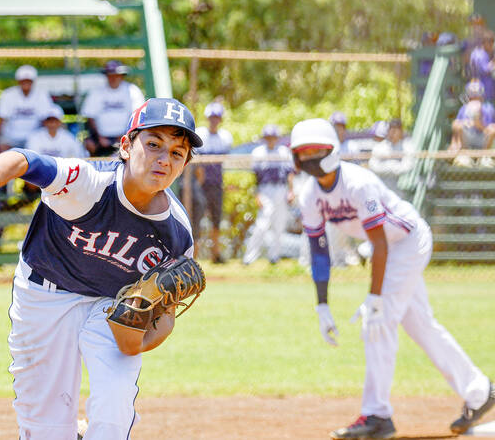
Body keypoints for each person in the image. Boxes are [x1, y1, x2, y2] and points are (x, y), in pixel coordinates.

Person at [0, 98, 203, 440]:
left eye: (176, 152)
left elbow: (165, 315)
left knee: (114, 408)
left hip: (109, 306)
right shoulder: (89, 184)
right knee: (46, 429)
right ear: (126, 145)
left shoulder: (177, 232)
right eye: (153, 144)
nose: (163, 159)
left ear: (184, 162)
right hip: (45, 294)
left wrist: (139, 339)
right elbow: (29, 160)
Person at [290, 118, 495, 439]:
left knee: (378, 322)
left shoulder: (358, 183)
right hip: (388, 248)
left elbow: (381, 243)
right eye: (303, 152)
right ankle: (480, 391)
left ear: (333, 150)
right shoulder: (310, 196)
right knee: (421, 326)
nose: (310, 156)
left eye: (317, 149)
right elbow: (319, 251)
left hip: (408, 241)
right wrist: (322, 306)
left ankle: (377, 415)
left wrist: (374, 298)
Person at [242, 124, 294, 265]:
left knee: (279, 224)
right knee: (262, 224)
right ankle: (249, 257)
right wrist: (257, 195)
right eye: (268, 137)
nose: (270, 140)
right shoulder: (258, 152)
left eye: (273, 137)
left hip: (281, 188)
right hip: (265, 189)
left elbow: (290, 174)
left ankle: (274, 257)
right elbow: (256, 177)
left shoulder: (284, 151)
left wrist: (290, 191)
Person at [193, 102, 233, 263]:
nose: (214, 121)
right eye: (211, 118)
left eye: (216, 118)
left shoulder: (225, 137)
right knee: (196, 218)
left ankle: (215, 253)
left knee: (216, 218)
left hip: (216, 184)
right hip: (200, 185)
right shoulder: (201, 134)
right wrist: (199, 181)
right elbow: (198, 164)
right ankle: (193, 254)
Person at [81, 60, 146, 157]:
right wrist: (99, 137)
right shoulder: (96, 92)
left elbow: (137, 116)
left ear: (122, 76)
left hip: (126, 135)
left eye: (116, 75)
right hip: (100, 137)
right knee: (89, 144)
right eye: (110, 75)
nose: (113, 78)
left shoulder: (132, 91)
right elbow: (90, 117)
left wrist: (126, 135)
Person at [0, 65, 53, 154]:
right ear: (18, 81)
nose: (26, 83)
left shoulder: (42, 94)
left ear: (33, 81)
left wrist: (45, 139)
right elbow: (1, 119)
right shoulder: (8, 94)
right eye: (23, 80)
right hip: (10, 137)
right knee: (3, 148)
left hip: (34, 136)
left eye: (28, 80)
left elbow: (45, 119)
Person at [327, 111, 361, 266]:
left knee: (346, 227)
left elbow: (359, 168)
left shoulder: (352, 146)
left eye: (341, 127)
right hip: (330, 191)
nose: (338, 130)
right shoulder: (327, 147)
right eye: (335, 127)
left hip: (347, 190)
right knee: (330, 227)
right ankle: (332, 259)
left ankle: (344, 258)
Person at [449, 79, 495, 167]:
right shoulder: (464, 108)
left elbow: (488, 129)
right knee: (456, 123)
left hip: (483, 139)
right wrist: (466, 123)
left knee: (493, 128)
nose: (474, 97)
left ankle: (484, 157)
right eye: (472, 95)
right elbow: (457, 125)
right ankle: (464, 156)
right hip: (469, 139)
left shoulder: (488, 108)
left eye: (477, 95)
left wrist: (478, 124)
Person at [368, 119, 414, 198]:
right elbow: (373, 166)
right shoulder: (380, 147)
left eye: (396, 130)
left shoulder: (407, 147)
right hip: (382, 189)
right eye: (391, 129)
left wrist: (387, 166)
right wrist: (393, 166)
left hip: (401, 191)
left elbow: (407, 167)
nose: (393, 133)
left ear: (401, 132)